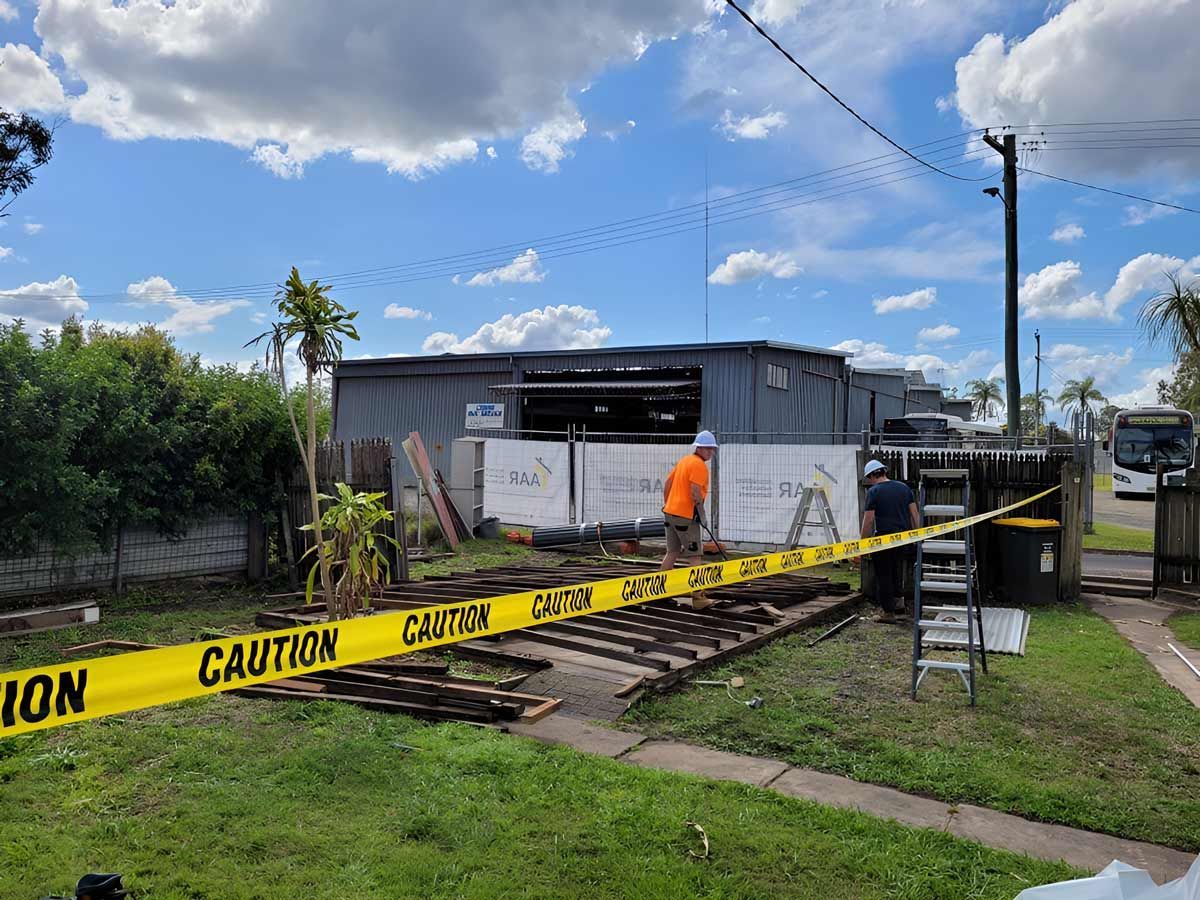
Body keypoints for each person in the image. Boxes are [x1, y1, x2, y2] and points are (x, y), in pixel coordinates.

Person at [860, 459, 918, 624]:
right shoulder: (903, 488)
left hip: (883, 540)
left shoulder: (874, 491)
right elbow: (914, 514)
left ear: (872, 475)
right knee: (896, 571)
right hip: (903, 539)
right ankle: (899, 606)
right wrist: (917, 537)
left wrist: (862, 544)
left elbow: (869, 520)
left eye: (869, 478)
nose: (870, 481)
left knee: (884, 575)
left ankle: (888, 612)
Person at [660, 431, 718, 581]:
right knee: (695, 555)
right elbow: (695, 492)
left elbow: (667, 484)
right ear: (698, 448)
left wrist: (669, 504)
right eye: (708, 448)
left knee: (672, 552)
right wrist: (701, 515)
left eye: (712, 449)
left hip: (670, 514)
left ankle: (659, 589)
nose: (711, 452)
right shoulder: (699, 465)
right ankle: (698, 597)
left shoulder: (684, 461)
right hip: (685, 517)